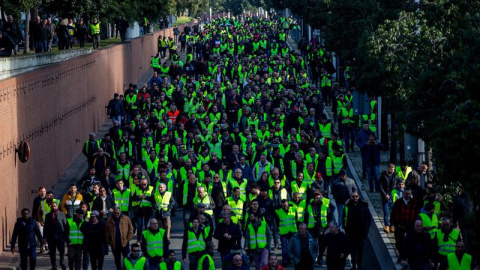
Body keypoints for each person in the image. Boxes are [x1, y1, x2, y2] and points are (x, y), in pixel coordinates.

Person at [343, 191, 371, 270]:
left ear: (358, 197)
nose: (355, 198)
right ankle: (354, 264)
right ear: (351, 197)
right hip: (351, 233)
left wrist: (365, 231)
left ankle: (359, 264)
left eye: (356, 196)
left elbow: (368, 219)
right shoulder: (348, 206)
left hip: (361, 233)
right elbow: (344, 217)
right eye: (353, 197)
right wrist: (346, 229)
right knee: (353, 250)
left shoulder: (363, 206)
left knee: (360, 250)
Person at [390, 188, 420, 261]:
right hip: (400, 225)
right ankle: (401, 254)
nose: (408, 195)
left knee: (409, 241)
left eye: (409, 194)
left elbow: (417, 213)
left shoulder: (414, 202)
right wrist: (393, 223)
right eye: (406, 194)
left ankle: (407, 256)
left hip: (410, 225)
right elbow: (393, 213)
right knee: (399, 241)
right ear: (403, 194)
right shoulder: (398, 202)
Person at [43, 201, 68, 270]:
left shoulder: (62, 214)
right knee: (52, 253)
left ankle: (62, 263)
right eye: (52, 206)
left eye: (55, 206)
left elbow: (65, 225)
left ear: (57, 207)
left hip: (60, 236)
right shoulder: (48, 215)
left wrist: (66, 236)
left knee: (62, 251)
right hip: (51, 237)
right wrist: (45, 237)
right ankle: (54, 266)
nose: (54, 207)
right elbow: (46, 226)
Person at [275, 199, 298, 266]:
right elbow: (276, 222)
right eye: (283, 205)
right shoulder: (278, 211)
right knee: (284, 247)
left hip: (293, 231)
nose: (285, 206)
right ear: (281, 205)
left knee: (293, 247)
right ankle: (285, 261)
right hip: (284, 232)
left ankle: (292, 260)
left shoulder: (293, 209)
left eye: (286, 205)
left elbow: (296, 219)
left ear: (288, 204)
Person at [379, 163, 397, 233]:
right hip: (385, 195)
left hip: (392, 194)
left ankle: (392, 225)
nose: (392, 171)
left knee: (392, 211)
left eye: (393, 169)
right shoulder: (383, 176)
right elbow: (380, 187)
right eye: (391, 169)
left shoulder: (395, 175)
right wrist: (384, 195)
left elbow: (395, 184)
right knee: (386, 212)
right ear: (388, 168)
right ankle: (387, 225)